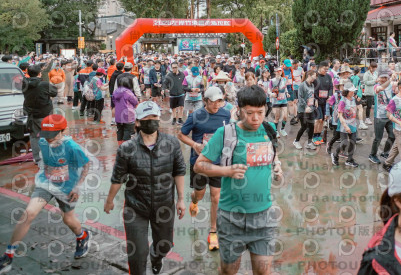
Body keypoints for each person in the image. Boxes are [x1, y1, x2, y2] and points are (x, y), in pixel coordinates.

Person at [194, 85, 283, 275]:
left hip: (264, 216)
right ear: (239, 110)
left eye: (260, 112)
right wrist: (226, 171)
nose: (256, 118)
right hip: (231, 218)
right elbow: (199, 166)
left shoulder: (269, 129)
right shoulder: (225, 134)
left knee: (263, 272)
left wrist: (277, 165)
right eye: (249, 113)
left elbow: (273, 152)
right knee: (229, 271)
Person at [0, 114, 92, 273]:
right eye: (46, 134)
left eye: (53, 135)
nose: (49, 139)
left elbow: (86, 165)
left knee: (68, 219)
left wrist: (77, 187)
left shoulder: (72, 147)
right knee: (28, 213)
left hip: (67, 188)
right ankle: (8, 255)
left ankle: (83, 236)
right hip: (46, 184)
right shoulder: (42, 142)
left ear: (64, 131)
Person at [104, 101, 186, 275]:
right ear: (137, 122)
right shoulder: (127, 148)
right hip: (136, 207)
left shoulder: (172, 143)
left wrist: (181, 199)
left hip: (164, 205)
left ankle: (156, 257)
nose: (151, 121)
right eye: (146, 118)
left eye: (154, 117)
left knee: (164, 245)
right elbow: (118, 178)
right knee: (137, 254)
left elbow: (179, 171)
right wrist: (109, 200)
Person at [179, 86, 231, 252]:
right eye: (213, 102)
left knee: (216, 197)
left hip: (218, 163)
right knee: (199, 194)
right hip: (199, 163)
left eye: (219, 101)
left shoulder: (226, 114)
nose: (216, 105)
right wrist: (195, 145)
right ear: (205, 101)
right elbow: (181, 134)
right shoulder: (196, 115)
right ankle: (194, 201)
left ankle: (213, 231)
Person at [22, 64, 58, 164]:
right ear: (39, 73)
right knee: (49, 134)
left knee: (34, 136)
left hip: (31, 114)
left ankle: (37, 158)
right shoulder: (44, 84)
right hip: (45, 113)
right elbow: (54, 92)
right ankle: (50, 156)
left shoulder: (24, 84)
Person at [332, 82, 360, 168]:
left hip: (353, 124)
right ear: (347, 91)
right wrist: (346, 126)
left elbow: (357, 109)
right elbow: (340, 116)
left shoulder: (353, 99)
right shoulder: (342, 101)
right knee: (344, 143)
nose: (353, 92)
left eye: (353, 91)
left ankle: (349, 160)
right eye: (351, 91)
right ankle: (335, 155)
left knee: (353, 142)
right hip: (344, 125)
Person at [293, 69, 318, 150]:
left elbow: (311, 95)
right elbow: (300, 98)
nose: (315, 78)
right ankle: (296, 141)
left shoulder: (312, 85)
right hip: (303, 110)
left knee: (312, 126)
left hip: (311, 108)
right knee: (304, 126)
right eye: (314, 77)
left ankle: (309, 143)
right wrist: (305, 106)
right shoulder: (302, 85)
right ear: (309, 76)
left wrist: (315, 100)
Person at [112, 75, 139, 145]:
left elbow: (114, 101)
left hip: (118, 115)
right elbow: (135, 101)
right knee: (128, 131)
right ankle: (125, 147)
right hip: (128, 115)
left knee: (119, 130)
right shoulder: (128, 92)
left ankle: (120, 146)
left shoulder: (115, 92)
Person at [270, 66, 289, 137]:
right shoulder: (272, 80)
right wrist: (272, 94)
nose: (279, 72)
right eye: (277, 71)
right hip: (276, 101)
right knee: (277, 117)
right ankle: (275, 131)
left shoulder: (284, 79)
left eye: (280, 71)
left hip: (283, 100)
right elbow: (269, 90)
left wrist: (287, 93)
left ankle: (282, 129)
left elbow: (285, 88)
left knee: (285, 116)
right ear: (275, 72)